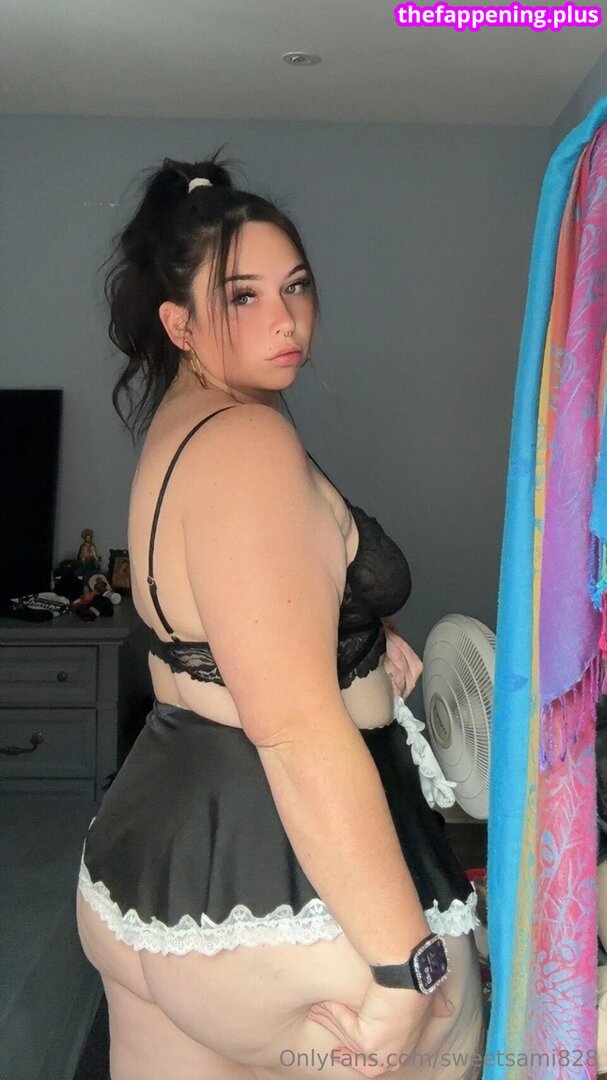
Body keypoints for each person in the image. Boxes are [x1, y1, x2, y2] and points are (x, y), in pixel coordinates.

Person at [76, 149, 486, 1080]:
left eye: (295, 286)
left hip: (144, 871)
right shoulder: (250, 442)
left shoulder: (182, 427)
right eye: (243, 296)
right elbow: (294, 727)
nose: (285, 318)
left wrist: (357, 631)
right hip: (286, 897)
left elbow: (225, 625)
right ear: (179, 322)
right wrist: (404, 964)